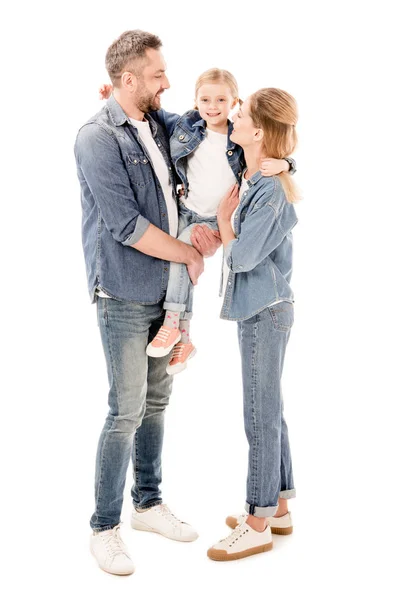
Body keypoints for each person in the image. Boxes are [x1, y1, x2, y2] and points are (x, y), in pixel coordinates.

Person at [74, 29, 219, 576]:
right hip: (124, 291)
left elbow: (201, 128)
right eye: (158, 74)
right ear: (128, 78)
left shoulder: (156, 122)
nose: (168, 83)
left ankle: (148, 504)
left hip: (165, 293)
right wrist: (187, 253)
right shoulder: (95, 137)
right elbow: (126, 225)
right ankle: (104, 527)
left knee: (157, 403)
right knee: (125, 411)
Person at [99, 73, 295, 374]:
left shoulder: (238, 138)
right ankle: (185, 336)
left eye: (222, 101)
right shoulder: (186, 127)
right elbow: (149, 111)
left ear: (233, 103)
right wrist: (116, 95)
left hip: (214, 221)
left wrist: (287, 164)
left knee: (181, 257)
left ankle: (173, 322)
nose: (212, 107)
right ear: (195, 101)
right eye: (205, 99)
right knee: (179, 266)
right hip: (186, 211)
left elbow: (275, 142)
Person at [207, 88, 300, 561]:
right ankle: (278, 506)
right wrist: (287, 161)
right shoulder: (256, 171)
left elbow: (242, 256)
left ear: (259, 132)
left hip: (265, 311)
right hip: (261, 309)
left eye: (240, 114)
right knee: (271, 410)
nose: (232, 117)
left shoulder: (268, 188)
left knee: (259, 417)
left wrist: (224, 221)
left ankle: (258, 520)